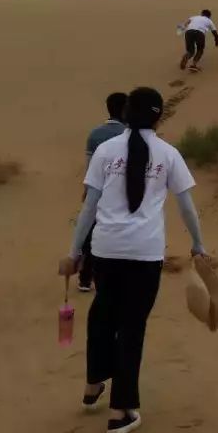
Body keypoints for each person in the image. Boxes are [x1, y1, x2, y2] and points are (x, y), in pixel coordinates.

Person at [59, 87, 207, 433]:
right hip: (144, 253)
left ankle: (94, 382)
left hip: (105, 249)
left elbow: (89, 206)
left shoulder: (106, 150)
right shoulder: (168, 153)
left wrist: (74, 252)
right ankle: (120, 411)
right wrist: (198, 244)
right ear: (159, 116)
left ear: (125, 113)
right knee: (131, 328)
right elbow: (186, 206)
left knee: (102, 314)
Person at [79, 92, 129, 292]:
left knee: (91, 232)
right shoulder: (129, 136)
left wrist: (87, 190)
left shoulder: (95, 134)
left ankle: (85, 278)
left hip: (97, 191)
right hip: (120, 194)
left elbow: (89, 167)